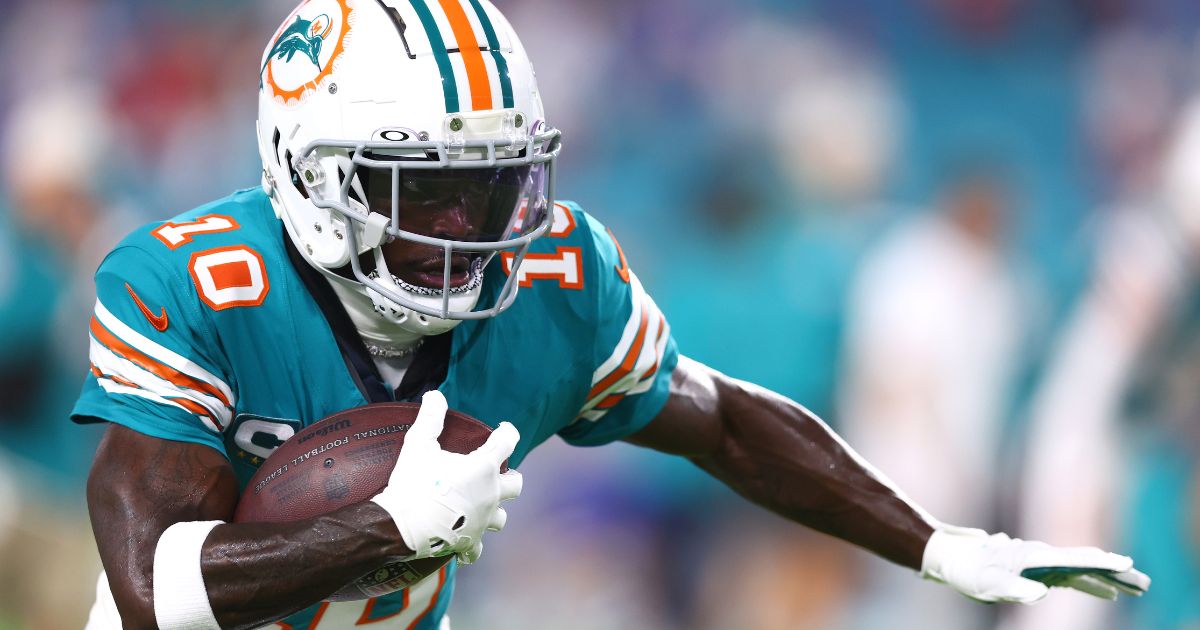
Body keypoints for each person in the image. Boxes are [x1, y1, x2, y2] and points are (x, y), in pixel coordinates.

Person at [73, 1, 1149, 628]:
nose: (467, 230)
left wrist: (938, 546)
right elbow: (146, 585)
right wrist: (384, 531)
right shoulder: (189, 285)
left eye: (492, 187)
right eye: (424, 191)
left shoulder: (555, 280)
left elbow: (723, 419)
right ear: (303, 177)